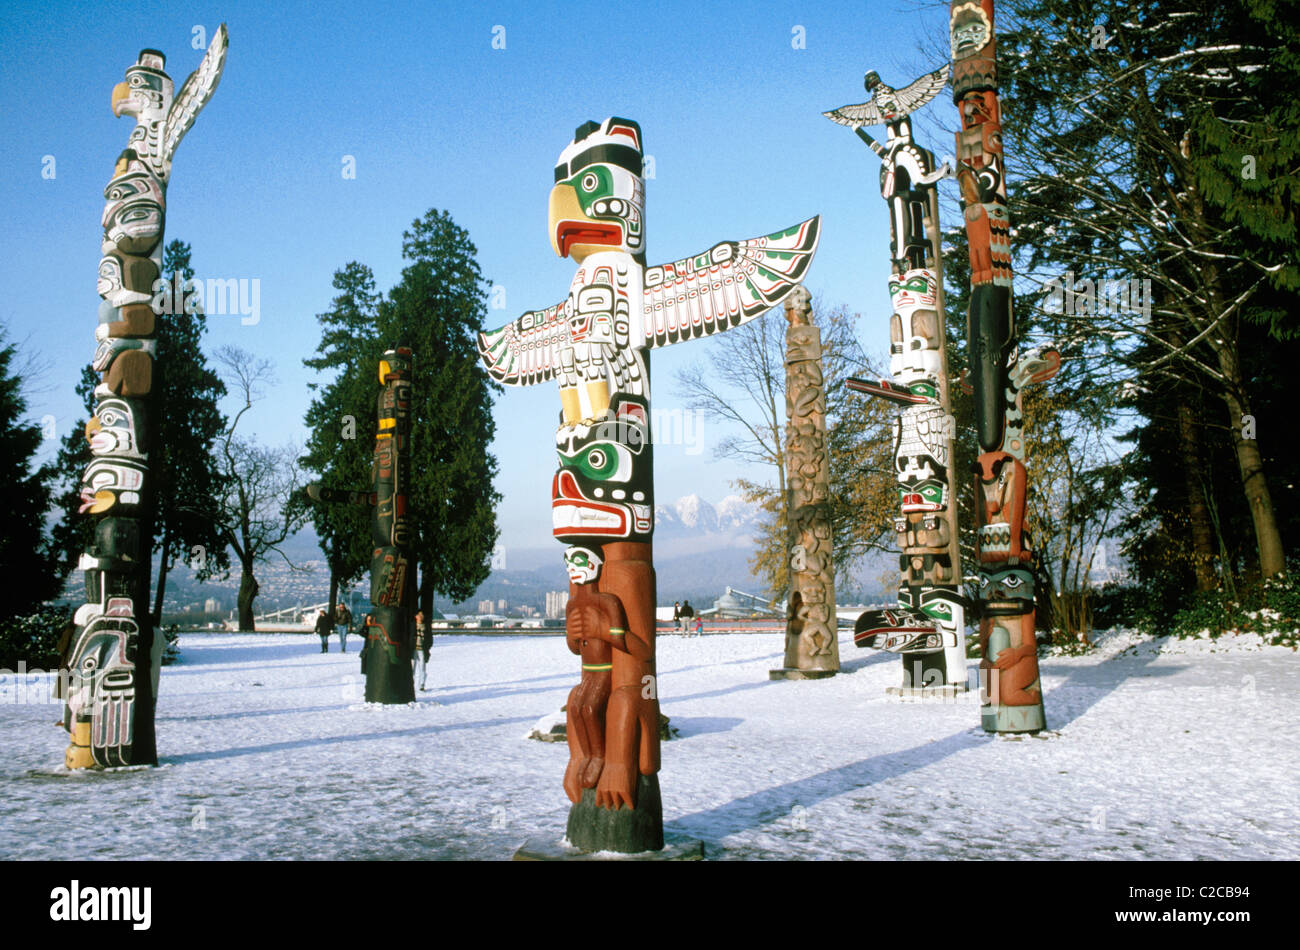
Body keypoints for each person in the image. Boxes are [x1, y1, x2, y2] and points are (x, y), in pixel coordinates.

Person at [413, 610, 431, 691]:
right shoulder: (412, 626)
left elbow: (429, 639)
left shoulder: (426, 626)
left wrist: (427, 647)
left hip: (422, 649)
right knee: (412, 667)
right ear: (415, 616)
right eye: (419, 615)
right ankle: (411, 684)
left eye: (422, 615)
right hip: (413, 649)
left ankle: (422, 684)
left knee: (422, 666)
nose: (421, 616)